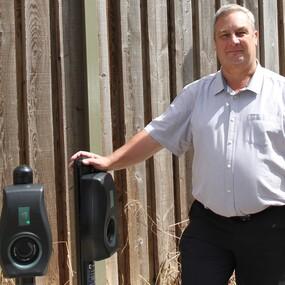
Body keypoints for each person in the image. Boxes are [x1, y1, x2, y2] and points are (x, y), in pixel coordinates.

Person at [70, 4, 285, 285]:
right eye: (224, 35)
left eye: (240, 33)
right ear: (215, 42)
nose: (233, 41)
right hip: (210, 228)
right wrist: (110, 161)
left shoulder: (280, 93)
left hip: (270, 228)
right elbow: (156, 134)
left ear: (255, 37)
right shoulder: (197, 95)